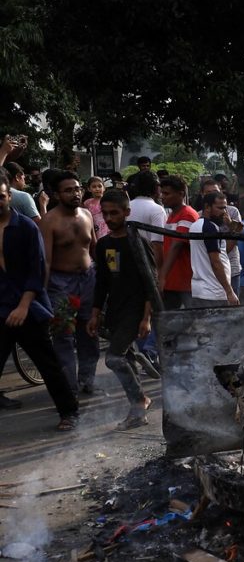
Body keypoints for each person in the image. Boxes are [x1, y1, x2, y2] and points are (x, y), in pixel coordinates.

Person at [0, 171, 80, 428]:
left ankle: (69, 413)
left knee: (48, 365)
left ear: (9, 196)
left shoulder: (25, 227)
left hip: (29, 307)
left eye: (0, 196)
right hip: (1, 307)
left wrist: (24, 306)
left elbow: (37, 270)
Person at [87, 190, 154, 429]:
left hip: (135, 310)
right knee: (124, 358)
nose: (109, 218)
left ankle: (140, 400)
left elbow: (151, 284)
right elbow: (102, 282)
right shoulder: (104, 244)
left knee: (114, 358)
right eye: (105, 213)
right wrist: (95, 313)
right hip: (115, 310)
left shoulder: (137, 242)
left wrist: (146, 318)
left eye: (114, 213)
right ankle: (138, 413)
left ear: (127, 212)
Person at [40, 171, 101, 395]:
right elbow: (45, 260)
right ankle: (68, 387)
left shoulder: (87, 214)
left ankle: (87, 380)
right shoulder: (49, 221)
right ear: (57, 194)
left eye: (77, 189)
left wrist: (102, 278)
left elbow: (94, 247)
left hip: (88, 279)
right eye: (69, 190)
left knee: (90, 330)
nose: (75, 193)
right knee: (63, 335)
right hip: (60, 284)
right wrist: (42, 292)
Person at [189, 191, 239, 307]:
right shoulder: (210, 228)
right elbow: (216, 261)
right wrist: (230, 292)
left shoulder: (196, 225)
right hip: (213, 293)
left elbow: (222, 253)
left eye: (225, 208)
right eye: (220, 208)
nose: (224, 213)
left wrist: (232, 230)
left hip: (201, 290)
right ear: (207, 207)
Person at [156, 175, 199, 309]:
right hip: (173, 281)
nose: (162, 197)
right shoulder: (172, 215)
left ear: (181, 194)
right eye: (162, 193)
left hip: (185, 283)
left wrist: (162, 276)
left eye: (166, 193)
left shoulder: (187, 214)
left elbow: (177, 245)